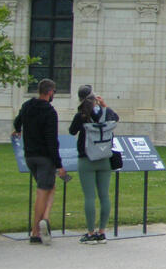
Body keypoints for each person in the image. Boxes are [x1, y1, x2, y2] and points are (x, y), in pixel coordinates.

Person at [13, 78, 65, 245]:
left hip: (29, 156)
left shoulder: (28, 106)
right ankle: (35, 231)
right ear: (49, 92)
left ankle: (46, 218)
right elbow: (51, 140)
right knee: (42, 191)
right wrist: (58, 164)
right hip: (44, 158)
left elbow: (17, 121)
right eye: (54, 92)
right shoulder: (49, 112)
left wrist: (18, 130)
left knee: (50, 187)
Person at [68, 85, 119, 244]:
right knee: (104, 196)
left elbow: (72, 131)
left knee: (90, 196)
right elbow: (115, 118)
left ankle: (90, 233)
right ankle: (102, 232)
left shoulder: (81, 115)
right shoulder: (105, 114)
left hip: (87, 159)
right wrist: (104, 105)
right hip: (104, 158)